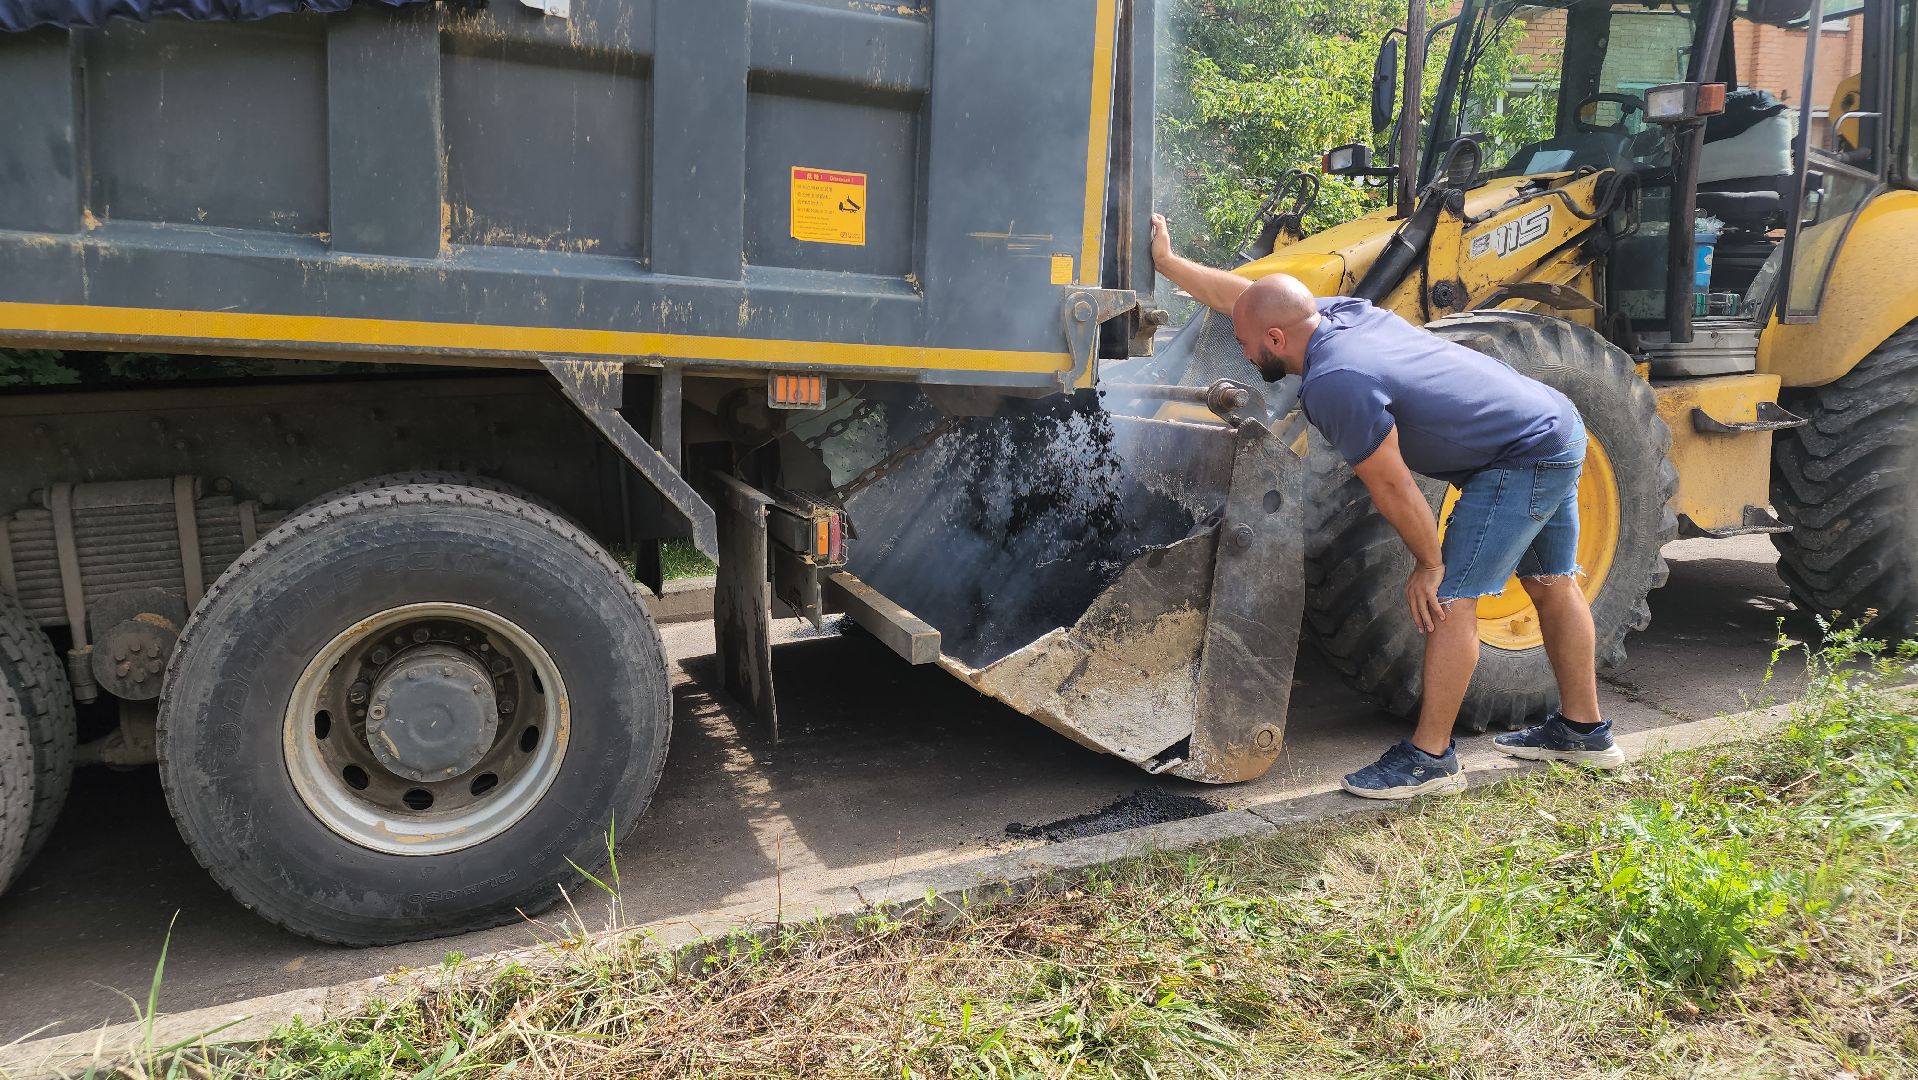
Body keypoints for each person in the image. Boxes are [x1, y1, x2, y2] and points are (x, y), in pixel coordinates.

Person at [1149, 213, 1627, 799]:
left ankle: (1430, 759)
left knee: (1449, 600)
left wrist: (1429, 563)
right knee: (1552, 581)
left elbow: (1394, 486)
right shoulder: (1337, 316)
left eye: (1245, 344)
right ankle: (1584, 733)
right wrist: (1169, 263)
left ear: (1275, 338)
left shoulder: (1335, 381)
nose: (1243, 354)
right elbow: (1245, 299)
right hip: (1554, 423)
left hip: (1521, 456)